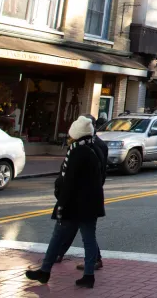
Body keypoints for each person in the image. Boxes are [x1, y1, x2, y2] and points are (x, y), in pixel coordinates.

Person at [26, 116, 105, 289]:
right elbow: (101, 177)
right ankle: (88, 275)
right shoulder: (96, 148)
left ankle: (45, 270)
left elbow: (68, 182)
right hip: (91, 203)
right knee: (89, 239)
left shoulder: (77, 152)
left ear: (76, 134)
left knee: (58, 237)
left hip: (74, 204)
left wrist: (61, 205)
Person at [55, 115, 107, 269]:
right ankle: (59, 254)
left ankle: (91, 264)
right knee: (79, 230)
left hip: (84, 196)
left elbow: (99, 173)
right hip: (80, 195)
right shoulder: (79, 144)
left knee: (80, 230)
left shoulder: (95, 146)